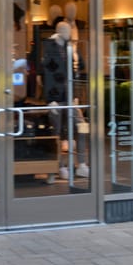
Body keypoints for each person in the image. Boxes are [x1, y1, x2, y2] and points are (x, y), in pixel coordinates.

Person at [41, 21, 89, 179]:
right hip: (56, 98)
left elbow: (80, 66)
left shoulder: (70, 47)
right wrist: (50, 99)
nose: (70, 33)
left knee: (81, 127)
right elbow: (46, 75)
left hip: (70, 97)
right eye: (66, 30)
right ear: (59, 31)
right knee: (57, 133)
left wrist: (75, 53)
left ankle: (81, 163)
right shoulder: (50, 48)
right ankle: (60, 166)